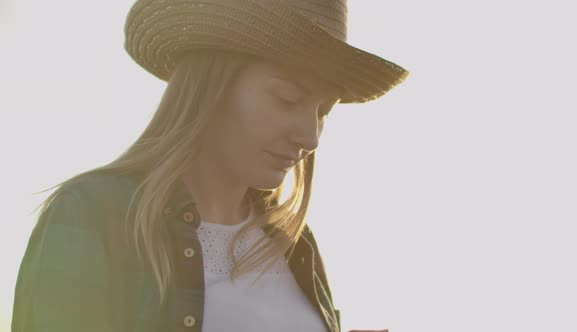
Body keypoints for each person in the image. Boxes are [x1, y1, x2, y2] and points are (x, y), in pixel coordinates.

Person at [11, 0, 409, 331]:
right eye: (287, 100)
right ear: (210, 87)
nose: (311, 137)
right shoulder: (95, 214)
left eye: (323, 112)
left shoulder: (294, 243)